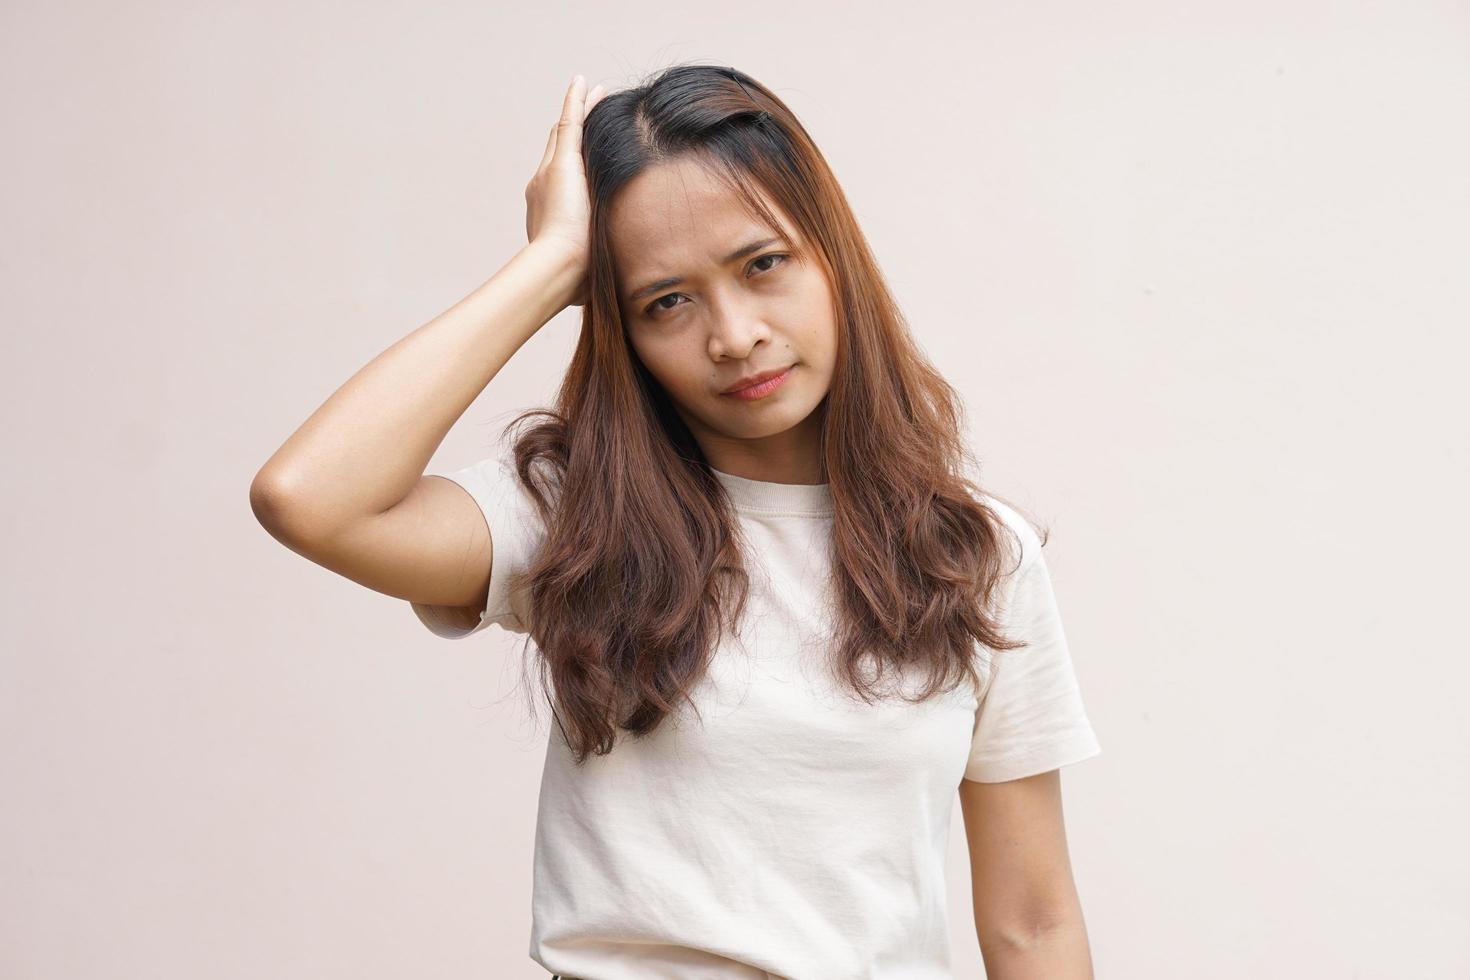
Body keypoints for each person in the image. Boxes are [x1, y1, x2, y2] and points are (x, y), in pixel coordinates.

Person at [251, 64, 1103, 980]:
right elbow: (309, 499)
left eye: (762, 265)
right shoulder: (575, 512)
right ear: (616, 325)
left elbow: (1034, 923)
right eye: (666, 301)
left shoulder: (974, 556)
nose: (733, 335)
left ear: (833, 257)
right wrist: (547, 266)